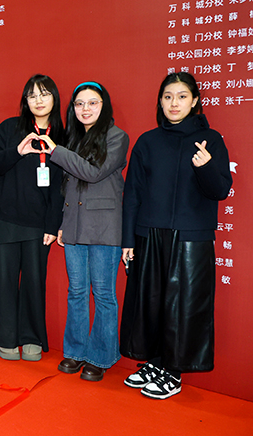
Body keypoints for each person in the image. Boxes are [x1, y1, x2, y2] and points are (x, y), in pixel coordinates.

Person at [120, 72, 232, 400]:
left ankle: (174, 372)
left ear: (194, 101)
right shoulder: (148, 141)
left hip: (190, 238)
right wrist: (129, 240)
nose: (174, 103)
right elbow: (133, 194)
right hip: (149, 234)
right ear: (160, 101)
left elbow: (220, 190)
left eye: (182, 96)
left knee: (183, 308)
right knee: (151, 303)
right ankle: (155, 363)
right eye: (168, 96)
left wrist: (206, 166)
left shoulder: (210, 140)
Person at [42, 82, 129, 381]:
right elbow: (68, 186)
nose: (85, 109)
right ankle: (75, 351)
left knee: (103, 294)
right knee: (76, 291)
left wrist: (57, 151)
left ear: (104, 106)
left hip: (105, 227)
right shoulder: (73, 139)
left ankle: (101, 356)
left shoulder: (117, 137)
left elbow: (93, 172)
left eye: (92, 103)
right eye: (79, 104)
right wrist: (63, 223)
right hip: (75, 225)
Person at [0, 74, 65, 362]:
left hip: (39, 224)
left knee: (34, 282)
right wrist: (17, 151)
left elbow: (61, 187)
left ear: (54, 98)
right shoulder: (10, 128)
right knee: (4, 281)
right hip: (5, 219)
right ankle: (6, 338)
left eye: (44, 94)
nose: (38, 100)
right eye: (32, 95)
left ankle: (31, 337)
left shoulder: (63, 136)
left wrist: (52, 225)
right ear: (25, 101)